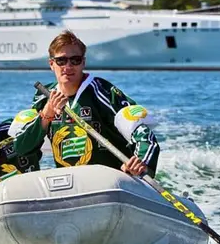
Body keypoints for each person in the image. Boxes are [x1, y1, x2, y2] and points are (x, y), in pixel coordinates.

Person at [12, 30, 160, 177]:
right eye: (61, 61)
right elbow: (22, 148)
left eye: (75, 60)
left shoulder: (104, 92)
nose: (68, 66)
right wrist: (47, 114)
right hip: (71, 184)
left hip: (111, 181)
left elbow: (144, 135)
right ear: (52, 64)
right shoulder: (43, 97)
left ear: (83, 62)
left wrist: (141, 162)